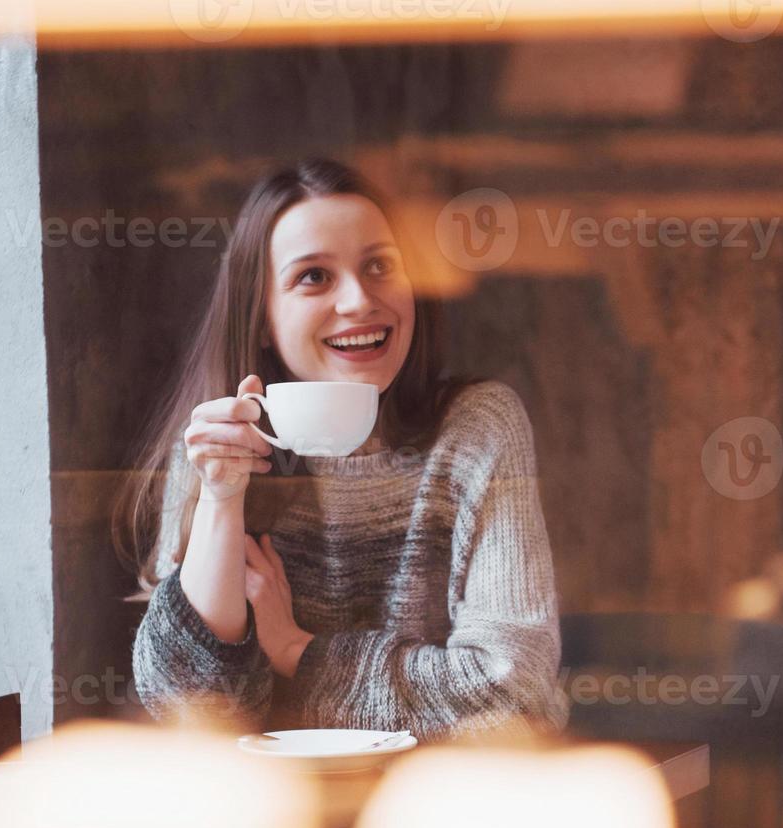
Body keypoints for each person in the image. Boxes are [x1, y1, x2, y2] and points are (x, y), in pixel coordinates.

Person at [121, 158, 568, 741]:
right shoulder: (218, 444)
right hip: (280, 817)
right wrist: (221, 501)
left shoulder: (477, 429)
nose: (359, 300)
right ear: (261, 318)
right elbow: (189, 706)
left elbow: (512, 690)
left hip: (447, 806)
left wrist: (297, 652)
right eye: (313, 276)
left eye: (380, 265)